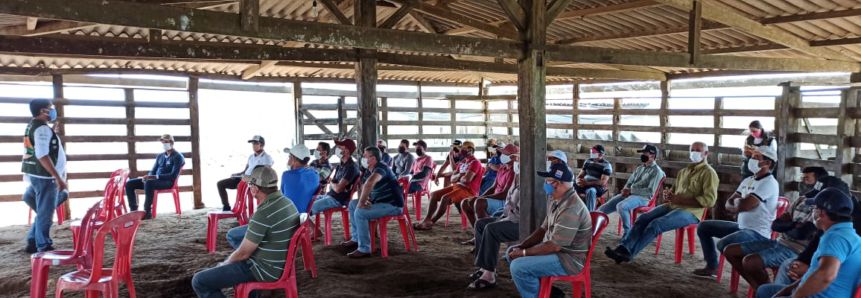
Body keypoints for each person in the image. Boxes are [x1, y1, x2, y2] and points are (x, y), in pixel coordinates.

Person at [192, 166, 300, 298]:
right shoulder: (287, 202)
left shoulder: (263, 213)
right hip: (278, 263)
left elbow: (243, 254)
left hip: (264, 269)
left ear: (255, 188)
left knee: (199, 281)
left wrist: (226, 264)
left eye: (250, 184)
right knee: (234, 243)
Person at [605, 141, 718, 264]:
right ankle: (623, 248)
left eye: (697, 150)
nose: (694, 153)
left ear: (706, 153)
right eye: (692, 150)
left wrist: (680, 200)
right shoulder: (684, 172)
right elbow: (674, 191)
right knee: (643, 218)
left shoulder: (709, 173)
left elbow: (709, 201)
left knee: (656, 224)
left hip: (691, 212)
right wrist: (669, 195)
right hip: (672, 206)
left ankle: (629, 254)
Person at [723, 166, 820, 292]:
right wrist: (792, 225)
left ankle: (766, 290)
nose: (802, 182)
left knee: (750, 262)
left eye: (807, 179)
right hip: (780, 242)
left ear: (818, 183)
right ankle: (761, 290)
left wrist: (788, 226)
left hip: (796, 250)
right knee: (730, 250)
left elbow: (801, 234)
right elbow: (775, 225)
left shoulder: (820, 208)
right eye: (801, 178)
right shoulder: (800, 200)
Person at [504, 162, 592, 298]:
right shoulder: (556, 200)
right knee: (511, 252)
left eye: (548, 181)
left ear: (557, 183)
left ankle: (537, 295)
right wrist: (522, 246)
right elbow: (542, 229)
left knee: (518, 267)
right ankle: (548, 293)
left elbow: (555, 246)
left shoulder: (571, 208)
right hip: (557, 250)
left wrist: (524, 253)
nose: (545, 183)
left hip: (569, 259)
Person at [755, 188, 860, 298]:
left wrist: (796, 295)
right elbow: (815, 270)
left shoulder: (836, 238)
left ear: (820, 213)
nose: (813, 212)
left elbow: (825, 275)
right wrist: (789, 288)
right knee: (765, 290)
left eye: (814, 209)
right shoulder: (847, 234)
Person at [692, 147, 779, 278]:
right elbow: (730, 203)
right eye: (752, 156)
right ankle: (712, 267)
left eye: (756, 157)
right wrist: (739, 204)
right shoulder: (748, 180)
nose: (751, 160)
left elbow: (743, 205)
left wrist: (739, 204)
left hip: (757, 233)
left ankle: (759, 280)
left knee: (723, 244)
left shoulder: (769, 183)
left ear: (768, 163)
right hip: (741, 227)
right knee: (704, 226)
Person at [466, 152, 522, 291]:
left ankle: (489, 276)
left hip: (522, 222)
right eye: (515, 157)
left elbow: (525, 210)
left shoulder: (532, 179)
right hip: (510, 216)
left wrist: (504, 216)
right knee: (481, 224)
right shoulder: (518, 175)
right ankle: (485, 267)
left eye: (518, 158)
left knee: (491, 229)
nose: (515, 160)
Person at [21, 99, 68, 253]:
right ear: (43, 111)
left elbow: (35, 149)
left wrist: (52, 133)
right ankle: (43, 246)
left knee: (45, 208)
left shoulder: (33, 126)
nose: (53, 110)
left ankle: (33, 240)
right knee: (45, 213)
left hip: (36, 175)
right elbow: (42, 155)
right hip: (45, 178)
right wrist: (57, 177)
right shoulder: (42, 129)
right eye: (50, 108)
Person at [340, 146, 405, 258]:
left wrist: (362, 203)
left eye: (365, 156)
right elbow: (362, 187)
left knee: (359, 212)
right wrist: (362, 201)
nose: (362, 158)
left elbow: (370, 183)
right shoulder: (368, 170)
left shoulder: (382, 167)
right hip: (379, 202)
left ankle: (364, 249)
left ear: (372, 159)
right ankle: (356, 238)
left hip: (392, 204)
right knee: (352, 205)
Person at [597, 144, 664, 236]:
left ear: (653, 155)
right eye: (642, 153)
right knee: (601, 209)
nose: (642, 155)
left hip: (643, 198)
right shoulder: (640, 168)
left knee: (621, 206)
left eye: (645, 153)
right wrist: (625, 190)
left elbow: (650, 192)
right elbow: (629, 182)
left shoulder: (657, 171)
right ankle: (592, 228)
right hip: (629, 195)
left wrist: (631, 191)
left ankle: (628, 233)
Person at [415, 141, 481, 231]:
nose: (460, 150)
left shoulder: (475, 162)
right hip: (457, 186)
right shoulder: (462, 162)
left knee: (445, 198)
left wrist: (459, 176)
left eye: (463, 148)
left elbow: (467, 179)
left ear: (470, 150)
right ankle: (427, 219)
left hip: (468, 190)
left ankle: (431, 222)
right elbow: (452, 178)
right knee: (434, 194)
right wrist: (461, 175)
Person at [125, 134, 184, 220]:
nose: (164, 144)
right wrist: (148, 176)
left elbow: (173, 176)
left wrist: (153, 177)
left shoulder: (178, 157)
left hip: (168, 182)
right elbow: (153, 170)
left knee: (149, 183)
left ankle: (147, 211)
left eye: (166, 142)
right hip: (154, 181)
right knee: (130, 183)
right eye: (162, 142)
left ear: (172, 143)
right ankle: (133, 210)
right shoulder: (160, 156)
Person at [461, 144, 517, 231]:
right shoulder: (502, 168)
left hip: (505, 202)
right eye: (503, 154)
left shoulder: (513, 171)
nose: (502, 156)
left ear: (513, 157)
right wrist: (479, 197)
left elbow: (504, 195)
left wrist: (481, 198)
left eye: (506, 154)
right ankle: (478, 232)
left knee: (480, 203)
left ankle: (484, 234)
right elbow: (493, 187)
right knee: (465, 203)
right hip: (497, 199)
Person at [215, 135, 274, 211]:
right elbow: (245, 170)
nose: (254, 145)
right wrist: (237, 175)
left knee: (240, 185)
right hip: (244, 178)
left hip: (254, 181)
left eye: (256, 143)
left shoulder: (266, 157)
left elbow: (266, 172)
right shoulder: (251, 157)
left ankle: (241, 208)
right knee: (220, 184)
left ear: (262, 145)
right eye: (253, 144)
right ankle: (226, 206)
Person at [309, 139, 361, 216]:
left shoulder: (351, 167)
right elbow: (333, 186)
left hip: (339, 200)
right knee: (305, 201)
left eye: (340, 147)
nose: (337, 148)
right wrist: (335, 184)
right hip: (329, 195)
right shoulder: (341, 165)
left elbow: (338, 189)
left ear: (346, 151)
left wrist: (334, 184)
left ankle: (303, 227)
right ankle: (312, 228)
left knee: (309, 208)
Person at [279, 144, 320, 214]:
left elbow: (281, 194)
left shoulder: (286, 175)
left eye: (289, 157)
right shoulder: (315, 175)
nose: (288, 160)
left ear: (294, 159)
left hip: (289, 215)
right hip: (305, 214)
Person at [575, 145, 613, 211]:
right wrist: (577, 180)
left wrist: (588, 183)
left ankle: (590, 214)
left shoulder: (606, 165)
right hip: (585, 183)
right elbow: (581, 175)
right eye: (592, 151)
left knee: (591, 191)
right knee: (568, 186)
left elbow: (603, 182)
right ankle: (573, 212)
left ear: (601, 154)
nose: (592, 153)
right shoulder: (588, 161)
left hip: (596, 186)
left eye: (594, 152)